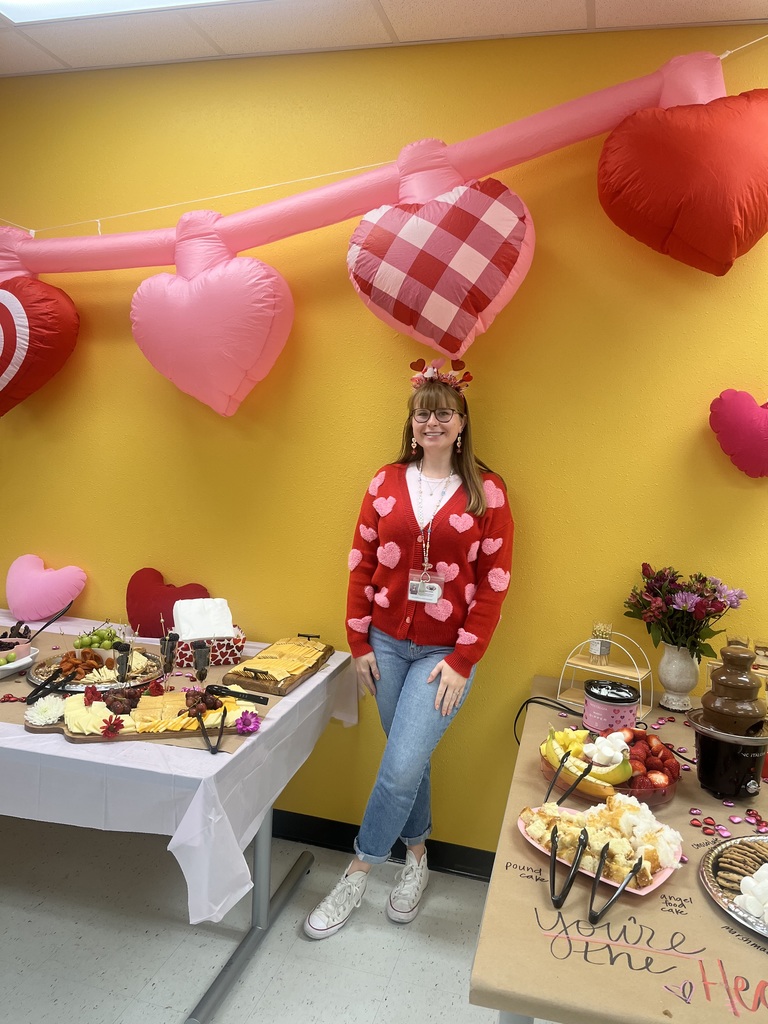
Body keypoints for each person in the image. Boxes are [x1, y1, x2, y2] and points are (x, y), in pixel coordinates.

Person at [304, 359, 514, 939]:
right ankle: (417, 857)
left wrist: (463, 660)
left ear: (462, 422)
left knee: (399, 768)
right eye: (423, 414)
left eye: (444, 413)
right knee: (409, 761)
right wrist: (358, 641)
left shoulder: (487, 492)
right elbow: (360, 564)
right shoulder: (385, 481)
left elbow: (494, 585)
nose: (432, 422)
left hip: (444, 656)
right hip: (385, 645)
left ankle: (358, 869)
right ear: (412, 422)